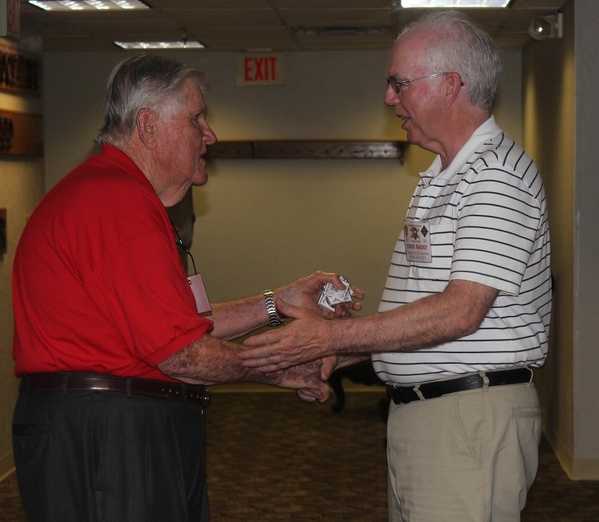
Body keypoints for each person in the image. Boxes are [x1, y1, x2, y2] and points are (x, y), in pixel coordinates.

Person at [11, 54, 361, 522]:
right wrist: (278, 366)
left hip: (104, 424)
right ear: (149, 126)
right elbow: (180, 353)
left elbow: (172, 325)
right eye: (197, 118)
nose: (210, 134)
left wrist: (277, 303)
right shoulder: (116, 204)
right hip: (108, 434)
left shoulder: (110, 193)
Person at [240, 10, 552, 521]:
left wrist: (330, 338)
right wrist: (336, 358)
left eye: (399, 83)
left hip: (465, 418)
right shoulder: (444, 176)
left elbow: (460, 313)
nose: (389, 98)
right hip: (433, 415)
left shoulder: (495, 176)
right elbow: (427, 313)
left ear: (451, 86)